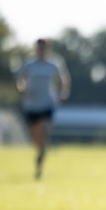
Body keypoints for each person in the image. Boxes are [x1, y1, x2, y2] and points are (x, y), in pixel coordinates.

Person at [15, 38, 70, 179]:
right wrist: (23, 89)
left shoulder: (54, 64)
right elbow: (20, 80)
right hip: (32, 105)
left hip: (47, 104)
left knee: (44, 132)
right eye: (39, 48)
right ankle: (40, 152)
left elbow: (63, 79)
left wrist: (63, 92)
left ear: (47, 49)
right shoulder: (29, 65)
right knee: (36, 137)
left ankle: (40, 162)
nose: (41, 50)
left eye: (43, 48)